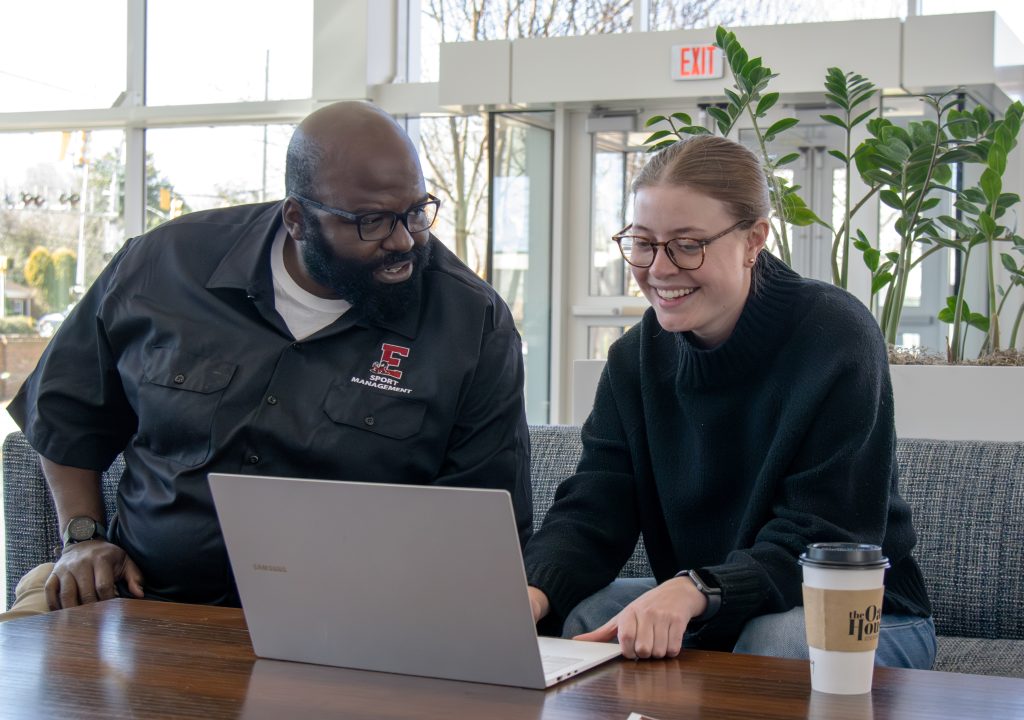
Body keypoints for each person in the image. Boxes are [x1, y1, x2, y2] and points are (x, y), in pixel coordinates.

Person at [2, 101, 531, 621]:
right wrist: (84, 537)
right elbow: (66, 411)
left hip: (355, 624)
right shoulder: (164, 266)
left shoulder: (470, 323)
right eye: (371, 221)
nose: (403, 241)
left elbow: (483, 523)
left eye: (416, 211)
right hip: (142, 602)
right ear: (297, 219)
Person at [523, 135, 936, 668]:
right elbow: (592, 511)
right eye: (643, 243)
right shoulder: (634, 359)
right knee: (580, 617)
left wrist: (695, 589)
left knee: (776, 644)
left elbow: (823, 536)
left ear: (753, 240)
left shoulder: (835, 335)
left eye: (688, 243)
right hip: (716, 598)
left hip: (856, 612)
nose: (659, 268)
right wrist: (531, 593)